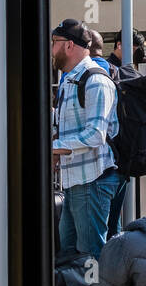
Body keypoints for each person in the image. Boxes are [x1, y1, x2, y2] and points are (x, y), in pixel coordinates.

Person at [52, 18, 121, 262]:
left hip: (92, 181)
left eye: (54, 43)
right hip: (75, 182)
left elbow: (96, 135)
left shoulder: (96, 81)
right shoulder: (70, 81)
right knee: (70, 255)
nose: (51, 49)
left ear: (69, 45)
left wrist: (54, 148)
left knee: (92, 255)